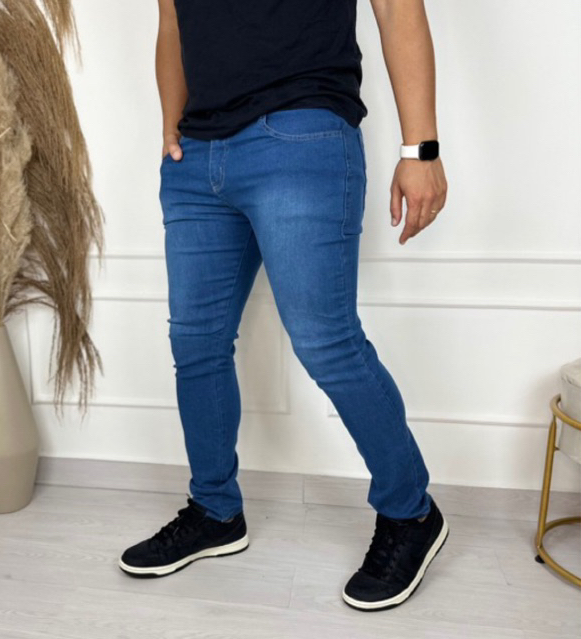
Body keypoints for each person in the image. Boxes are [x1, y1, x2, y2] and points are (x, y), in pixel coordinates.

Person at [119, 0, 449, 612]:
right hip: (197, 154)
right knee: (196, 342)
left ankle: (411, 513)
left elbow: (396, 6)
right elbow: (172, 20)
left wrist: (420, 149)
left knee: (326, 343)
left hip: (300, 132)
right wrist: (170, 125)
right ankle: (215, 511)